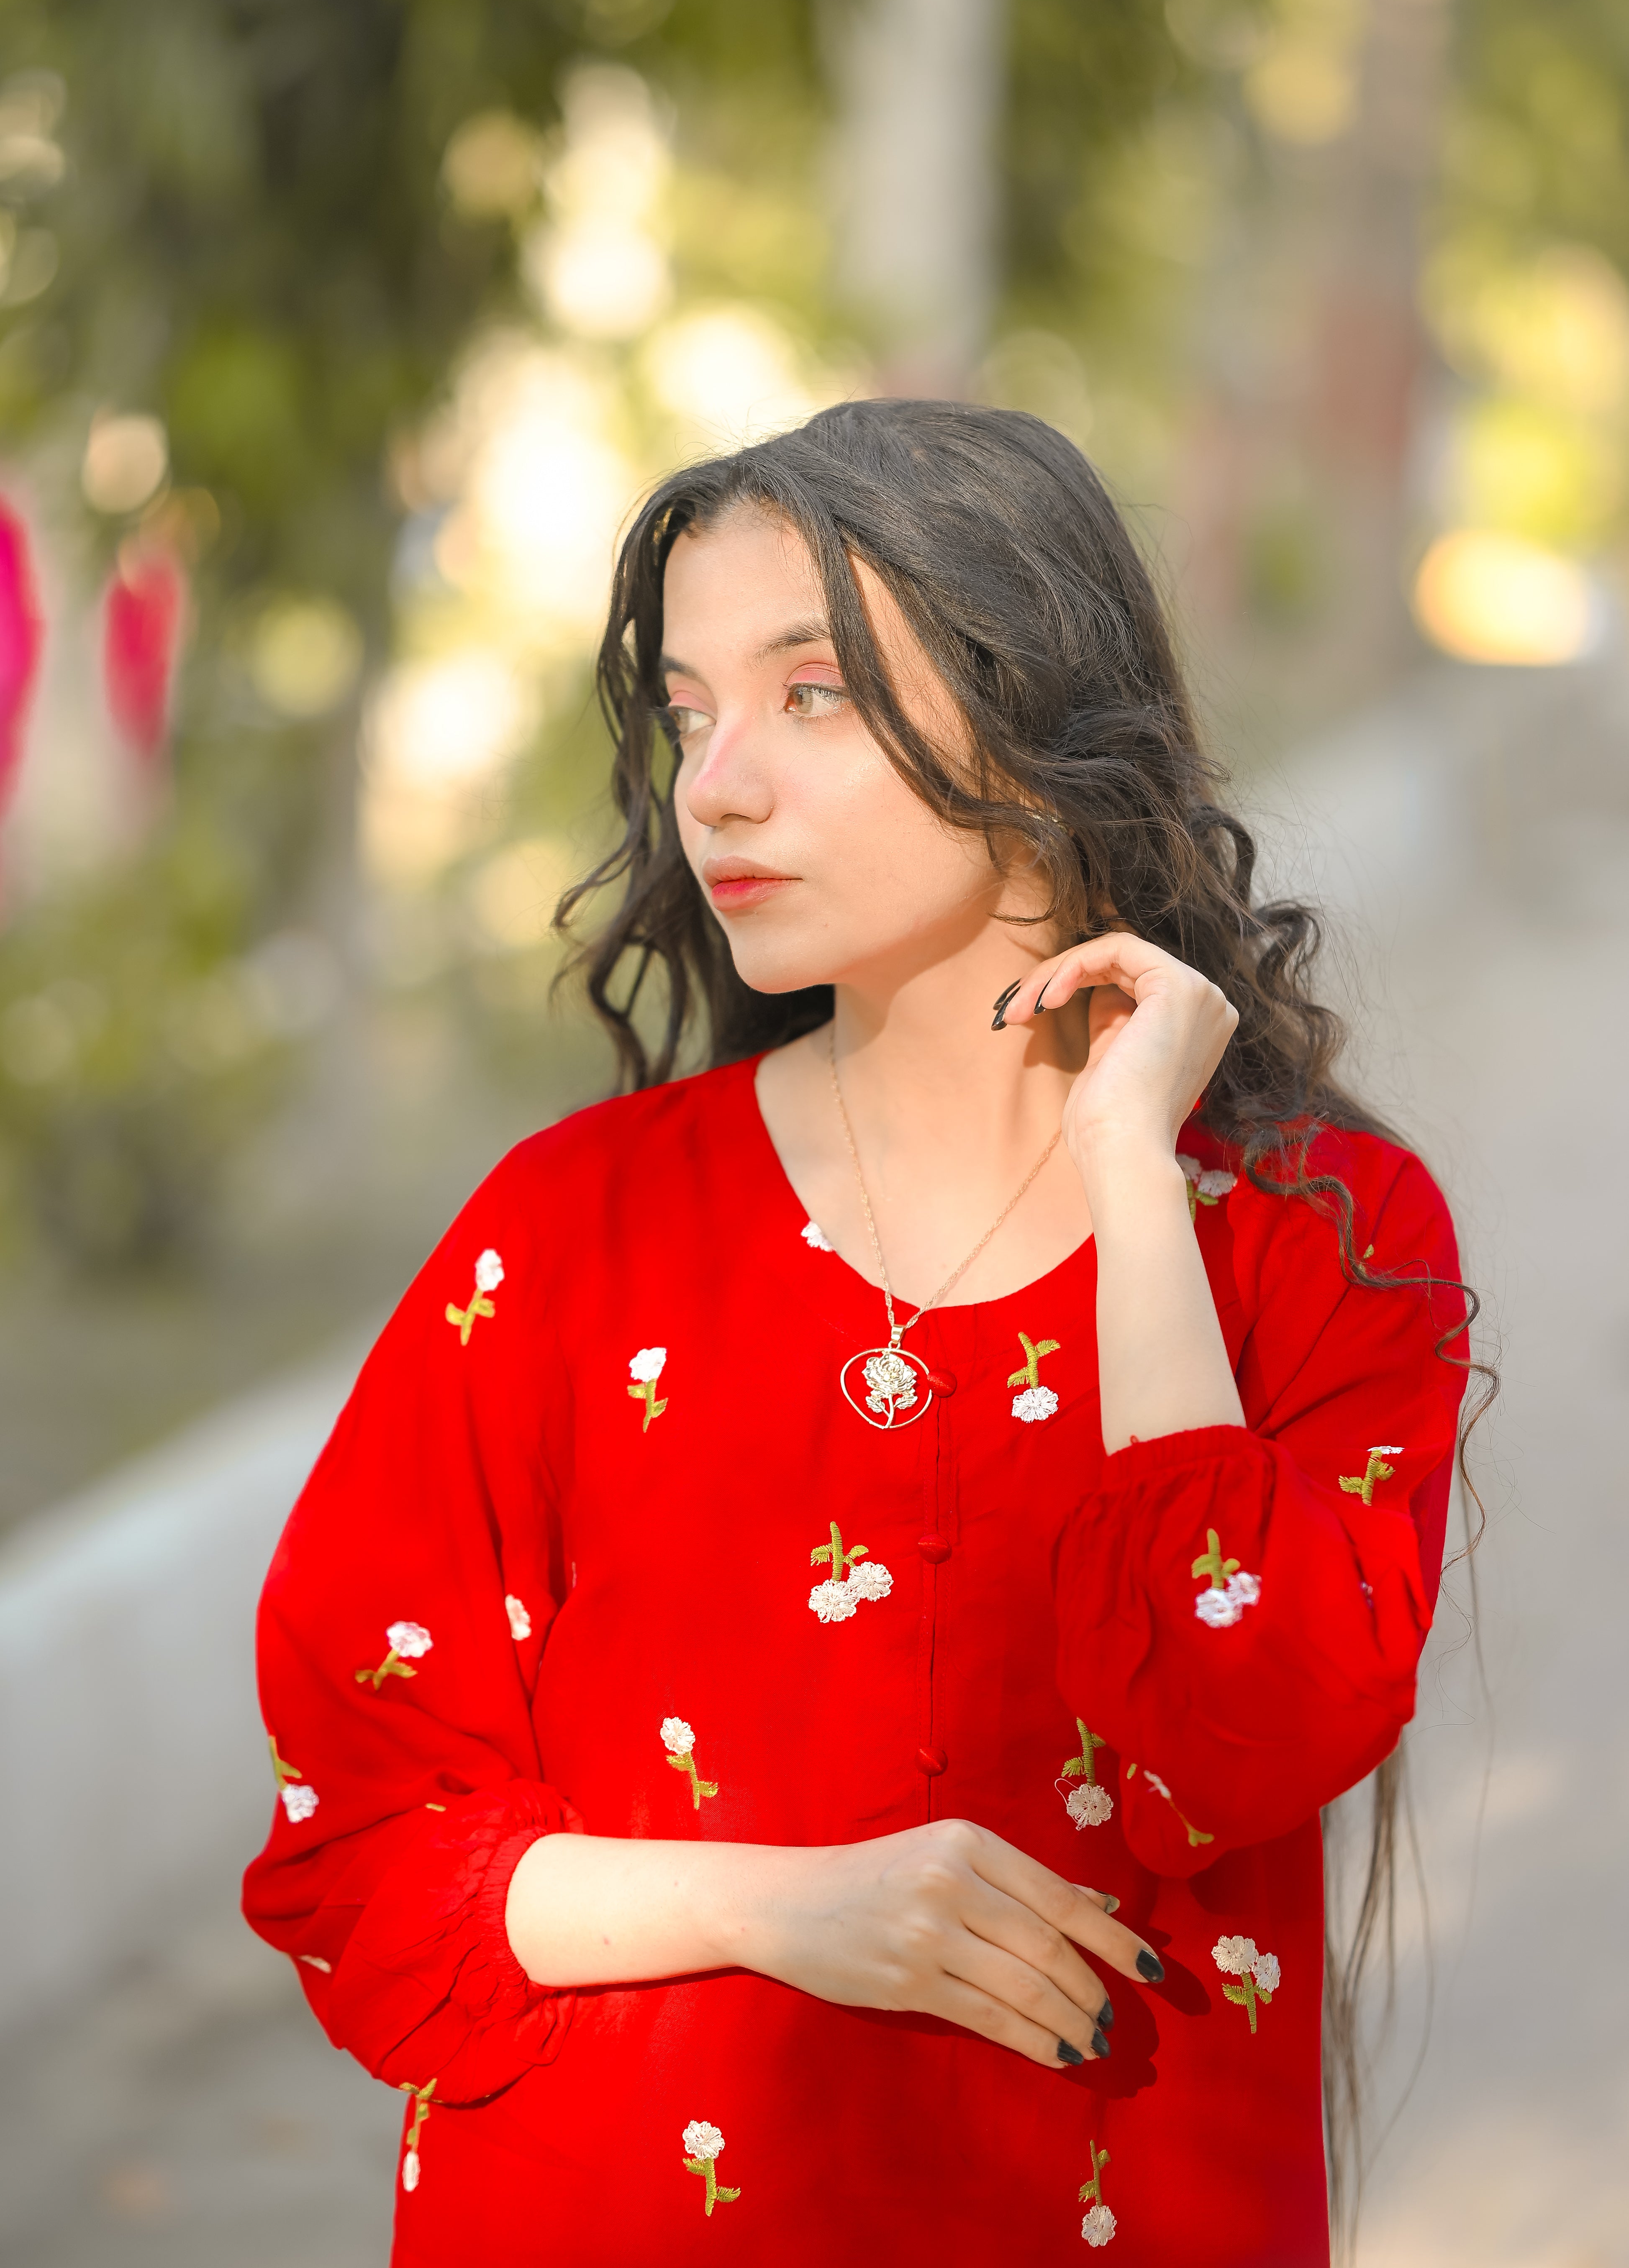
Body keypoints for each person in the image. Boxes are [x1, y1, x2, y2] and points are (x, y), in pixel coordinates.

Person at [244, 401, 1470, 2266]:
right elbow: (367, 1844)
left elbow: (1240, 1737)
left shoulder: (1325, 1248)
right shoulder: (567, 1236)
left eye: (808, 693)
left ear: (1038, 717)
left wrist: (1130, 1171)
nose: (713, 784)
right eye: (685, 710)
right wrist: (791, 1908)